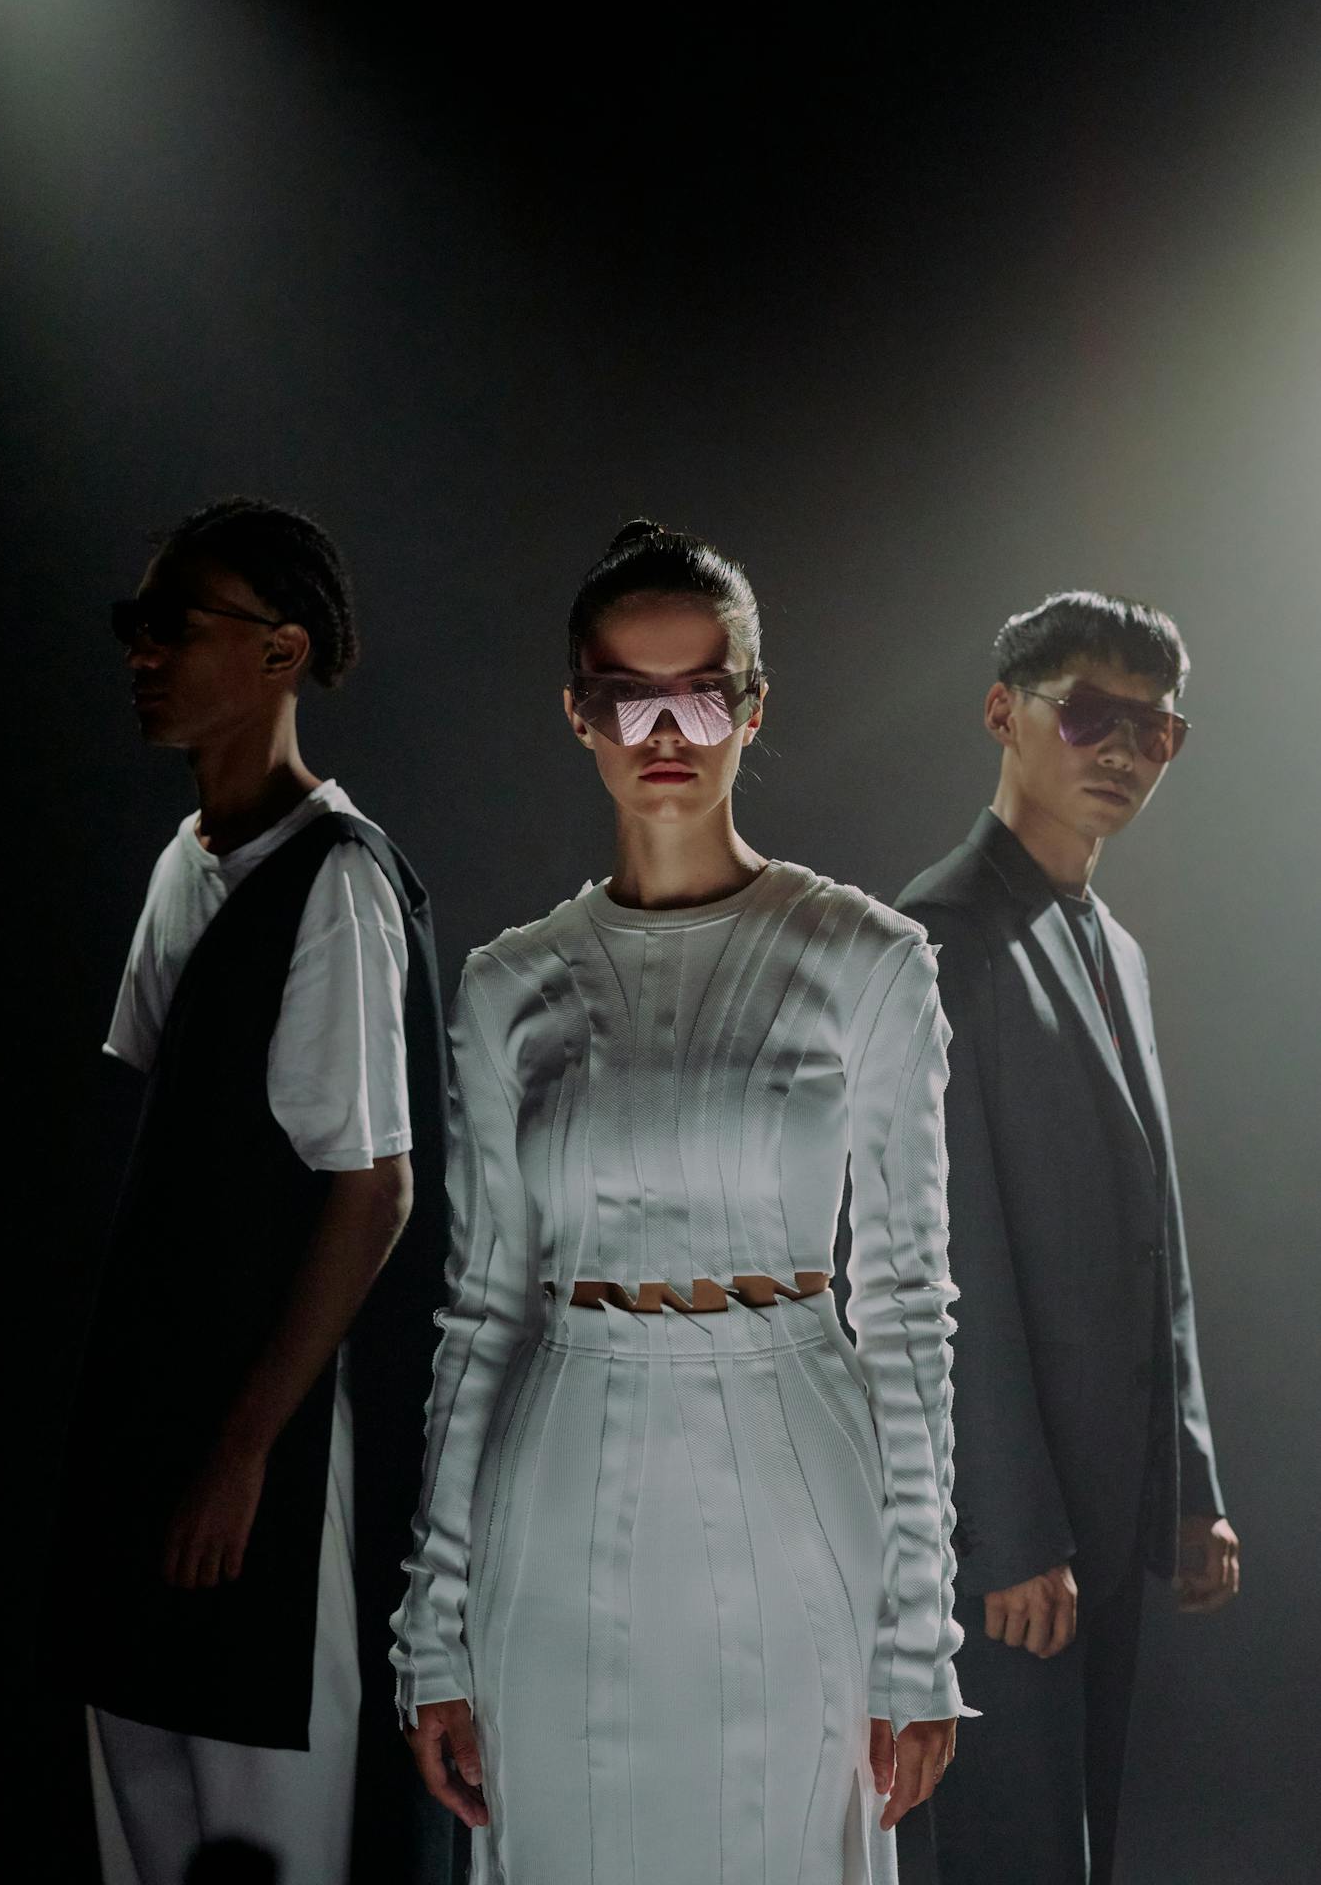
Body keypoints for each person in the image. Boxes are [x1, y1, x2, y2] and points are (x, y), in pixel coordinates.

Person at [391, 520, 968, 1885]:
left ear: (753, 705)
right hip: (560, 1476)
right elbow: (477, 1312)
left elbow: (906, 1306)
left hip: (794, 1483)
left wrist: (919, 1635)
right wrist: (432, 1624)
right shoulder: (505, 983)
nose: (666, 727)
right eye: (624, 692)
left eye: (702, 689)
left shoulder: (868, 963)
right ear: (577, 710)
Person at [58, 499, 454, 1885]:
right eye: (136, 626)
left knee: (268, 1839)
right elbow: (150, 1154)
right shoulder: (188, 864)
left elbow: (375, 1191)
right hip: (146, 1437)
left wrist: (243, 1450)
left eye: (178, 627)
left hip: (266, 1461)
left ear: (281, 654)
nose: (144, 653)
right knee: (145, 1823)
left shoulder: (337, 881)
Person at [895, 591, 1239, 1885]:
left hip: (1104, 1498)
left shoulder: (1116, 952)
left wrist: (1185, 1481)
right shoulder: (933, 943)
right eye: (1086, 712)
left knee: (1072, 1845)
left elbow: (1152, 1235)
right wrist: (1008, 1530)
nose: (1119, 749)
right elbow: (945, 1259)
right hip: (1008, 1529)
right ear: (1002, 712)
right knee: (1008, 1850)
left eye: (1150, 728)